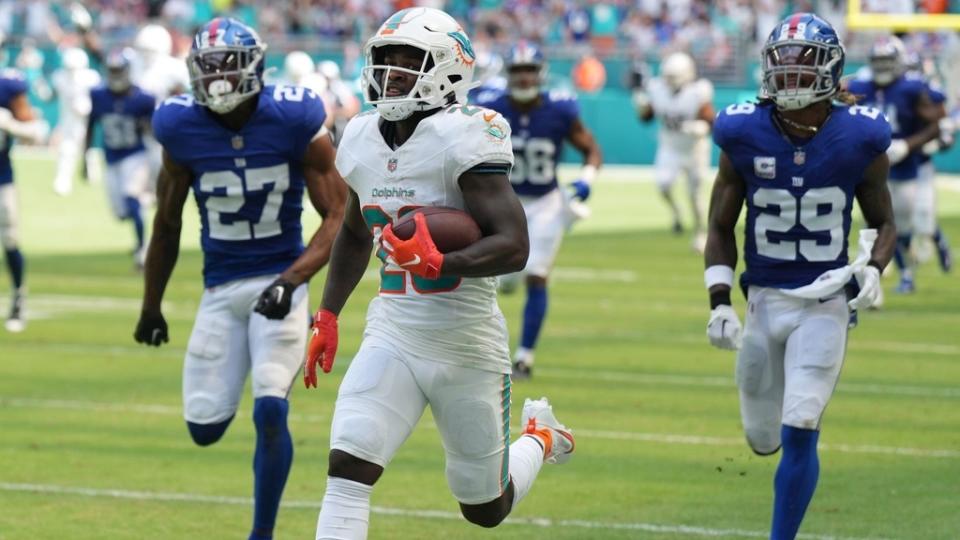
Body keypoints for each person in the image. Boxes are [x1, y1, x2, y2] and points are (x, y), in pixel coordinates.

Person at [303, 8, 574, 539]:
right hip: (395, 330)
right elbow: (357, 232)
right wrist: (328, 315)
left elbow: (514, 245)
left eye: (410, 62)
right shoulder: (359, 134)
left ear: (449, 70)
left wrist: (441, 262)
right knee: (348, 466)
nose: (392, 73)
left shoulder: (468, 133)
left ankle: (540, 436)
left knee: (484, 508)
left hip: (466, 340)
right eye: (386, 60)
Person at [132, 18, 346, 540]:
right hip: (221, 287)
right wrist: (150, 305)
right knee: (204, 428)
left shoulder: (295, 117)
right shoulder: (180, 125)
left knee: (271, 408)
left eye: (227, 64)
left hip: (281, 280)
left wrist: (293, 280)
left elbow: (340, 214)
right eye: (208, 67)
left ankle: (261, 534)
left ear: (253, 66)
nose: (219, 78)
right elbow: (166, 222)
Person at [704, 13, 896, 540]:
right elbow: (720, 225)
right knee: (763, 437)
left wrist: (876, 267)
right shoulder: (741, 131)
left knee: (803, 423)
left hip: (826, 299)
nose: (789, 75)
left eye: (802, 63)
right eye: (782, 64)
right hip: (764, 299)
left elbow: (885, 223)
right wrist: (719, 300)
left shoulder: (860, 136)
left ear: (831, 70)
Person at [475, 40, 603, 379]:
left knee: (538, 275)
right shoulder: (489, 109)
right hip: (502, 204)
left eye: (529, 71)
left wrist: (587, 178)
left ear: (540, 73)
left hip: (546, 202)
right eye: (518, 71)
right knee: (503, 281)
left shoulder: (560, 110)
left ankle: (524, 358)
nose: (524, 78)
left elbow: (591, 149)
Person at [846, 36, 944, 293]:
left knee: (902, 224)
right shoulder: (860, 85)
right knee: (876, 223)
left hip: (906, 168)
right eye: (878, 61)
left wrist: (908, 145)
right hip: (872, 168)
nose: (882, 67)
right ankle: (880, 277)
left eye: (887, 60)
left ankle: (907, 263)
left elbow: (936, 120)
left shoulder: (911, 88)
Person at [633, 51, 715, 253]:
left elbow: (712, 123)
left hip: (694, 149)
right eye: (667, 76)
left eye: (673, 76)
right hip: (670, 146)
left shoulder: (697, 92)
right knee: (663, 185)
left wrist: (698, 127)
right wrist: (640, 104)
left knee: (695, 195)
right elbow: (646, 118)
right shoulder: (657, 89)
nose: (669, 80)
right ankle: (677, 212)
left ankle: (700, 233)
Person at [84, 48, 156, 269]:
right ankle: (144, 203)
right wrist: (85, 157)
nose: (115, 74)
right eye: (112, 70)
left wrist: (147, 128)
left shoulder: (143, 98)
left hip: (135, 155)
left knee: (130, 199)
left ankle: (142, 248)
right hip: (111, 158)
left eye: (119, 70)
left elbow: (153, 131)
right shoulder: (98, 95)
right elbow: (91, 124)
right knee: (121, 213)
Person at [0, 67, 48, 332]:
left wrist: (10, 125)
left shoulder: (7, 86)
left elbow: (37, 131)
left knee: (10, 240)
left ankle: (18, 296)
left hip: (1, 178)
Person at [50, 47, 100, 196]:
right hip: (68, 120)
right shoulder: (59, 77)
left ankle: (90, 173)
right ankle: (63, 180)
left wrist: (87, 107)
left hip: (87, 120)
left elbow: (99, 99)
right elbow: (50, 96)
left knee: (88, 148)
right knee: (67, 148)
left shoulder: (91, 78)